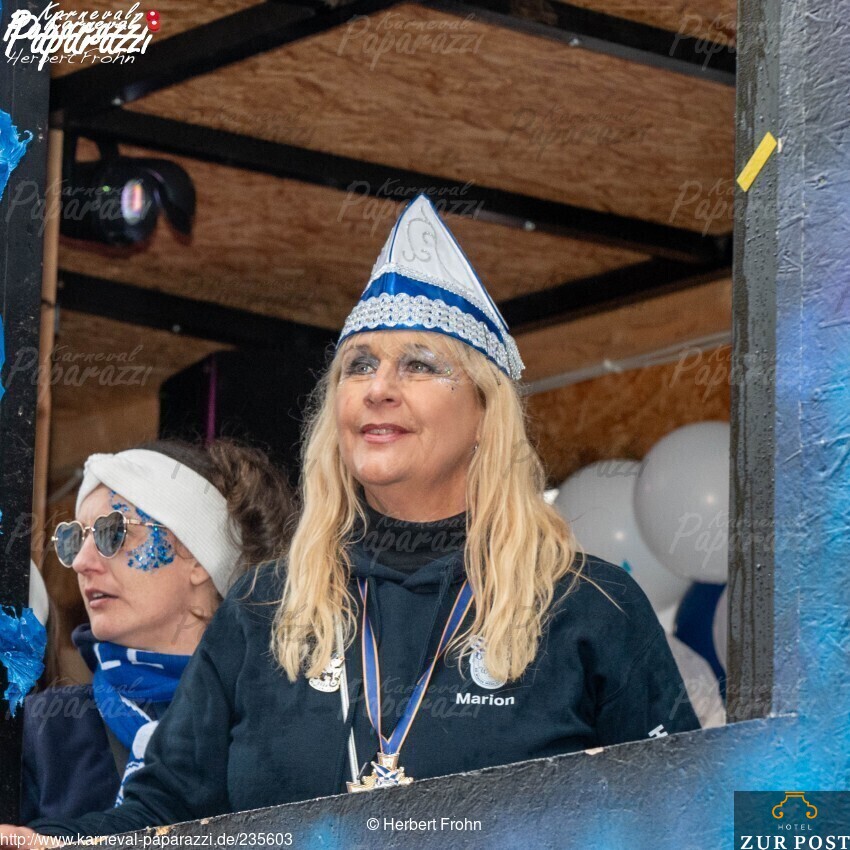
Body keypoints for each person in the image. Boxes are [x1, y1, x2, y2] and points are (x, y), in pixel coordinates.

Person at [1, 194, 699, 842]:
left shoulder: (588, 608)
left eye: (419, 365)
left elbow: (688, 813)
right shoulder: (263, 609)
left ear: (486, 414)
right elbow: (162, 816)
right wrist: (50, 842)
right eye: (359, 366)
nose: (379, 389)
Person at [18, 439, 295, 822]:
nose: (81, 562)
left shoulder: (275, 724)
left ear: (198, 558)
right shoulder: (44, 733)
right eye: (75, 539)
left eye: (114, 533)